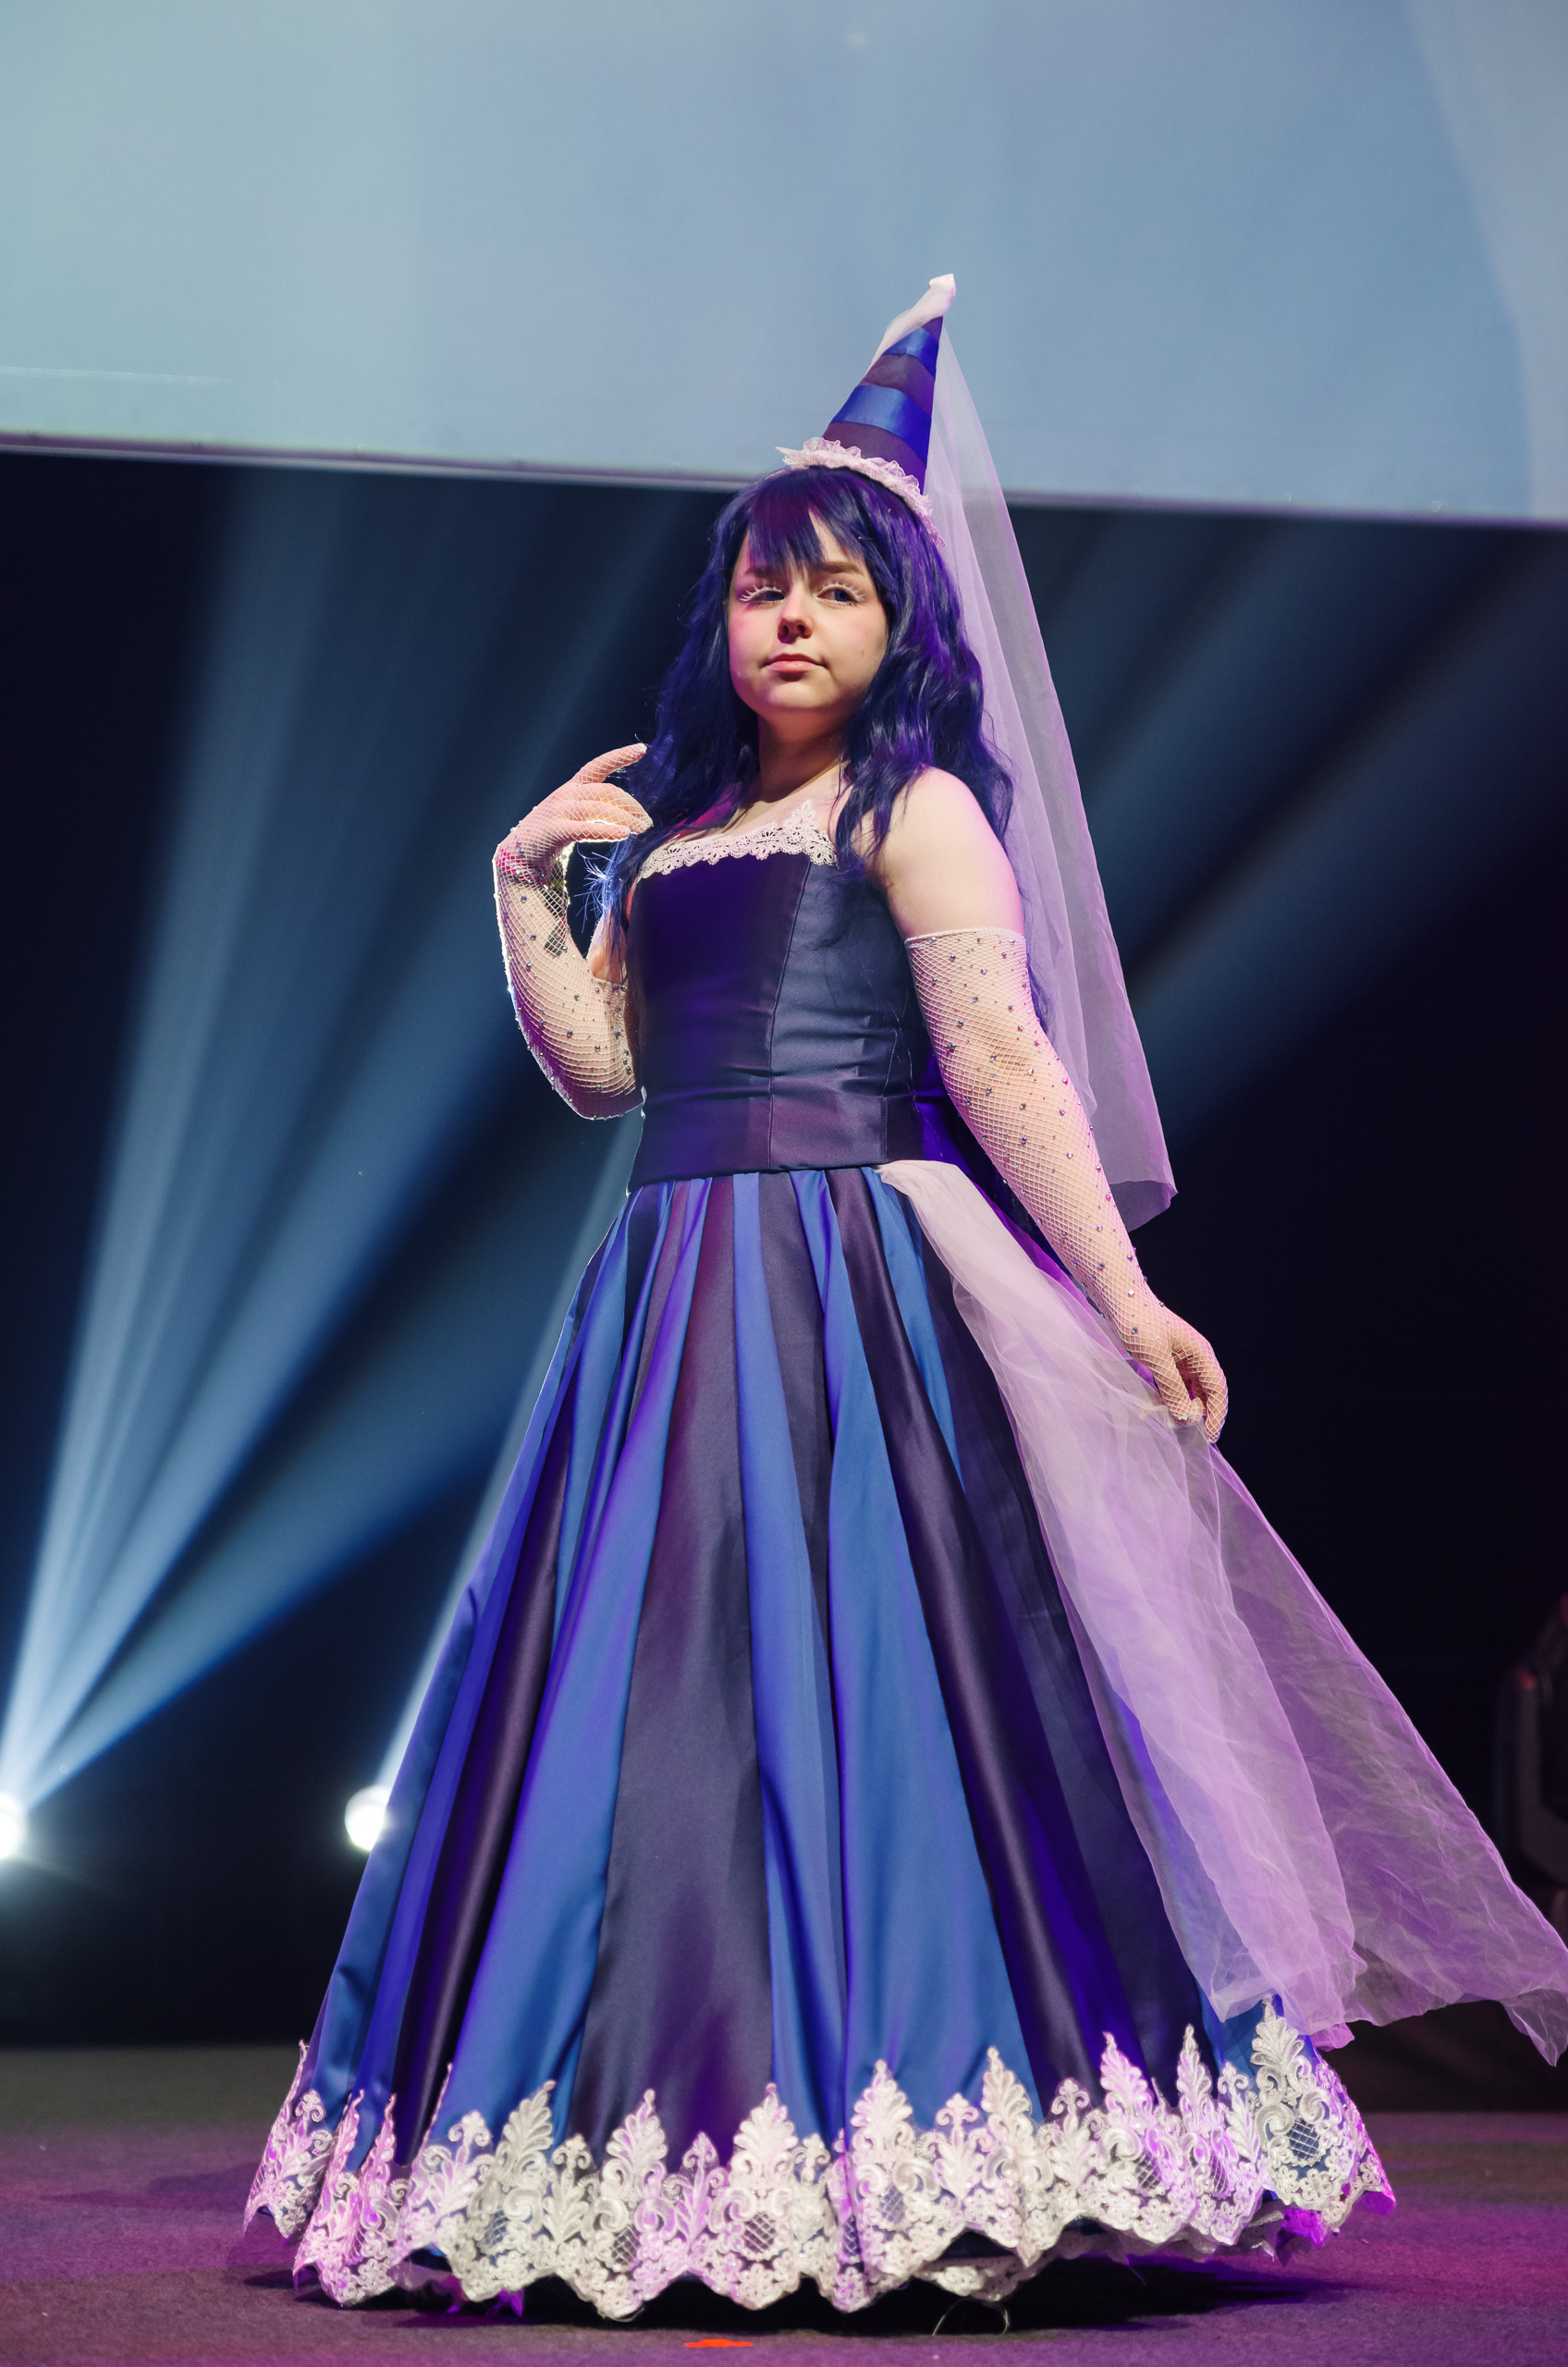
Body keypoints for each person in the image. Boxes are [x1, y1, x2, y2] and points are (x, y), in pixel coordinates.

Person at [248, 281, 1568, 2319]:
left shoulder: (914, 808)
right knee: (654, 1696)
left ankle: (942, 2118)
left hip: (845, 1289)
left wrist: (1120, 1290)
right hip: (670, 1289)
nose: (790, 621)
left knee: (890, 1683)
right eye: (762, 589)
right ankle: (636, 2106)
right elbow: (605, 1075)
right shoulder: (684, 832)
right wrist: (526, 888)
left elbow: (1002, 1057)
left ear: (901, 624)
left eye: (835, 592)